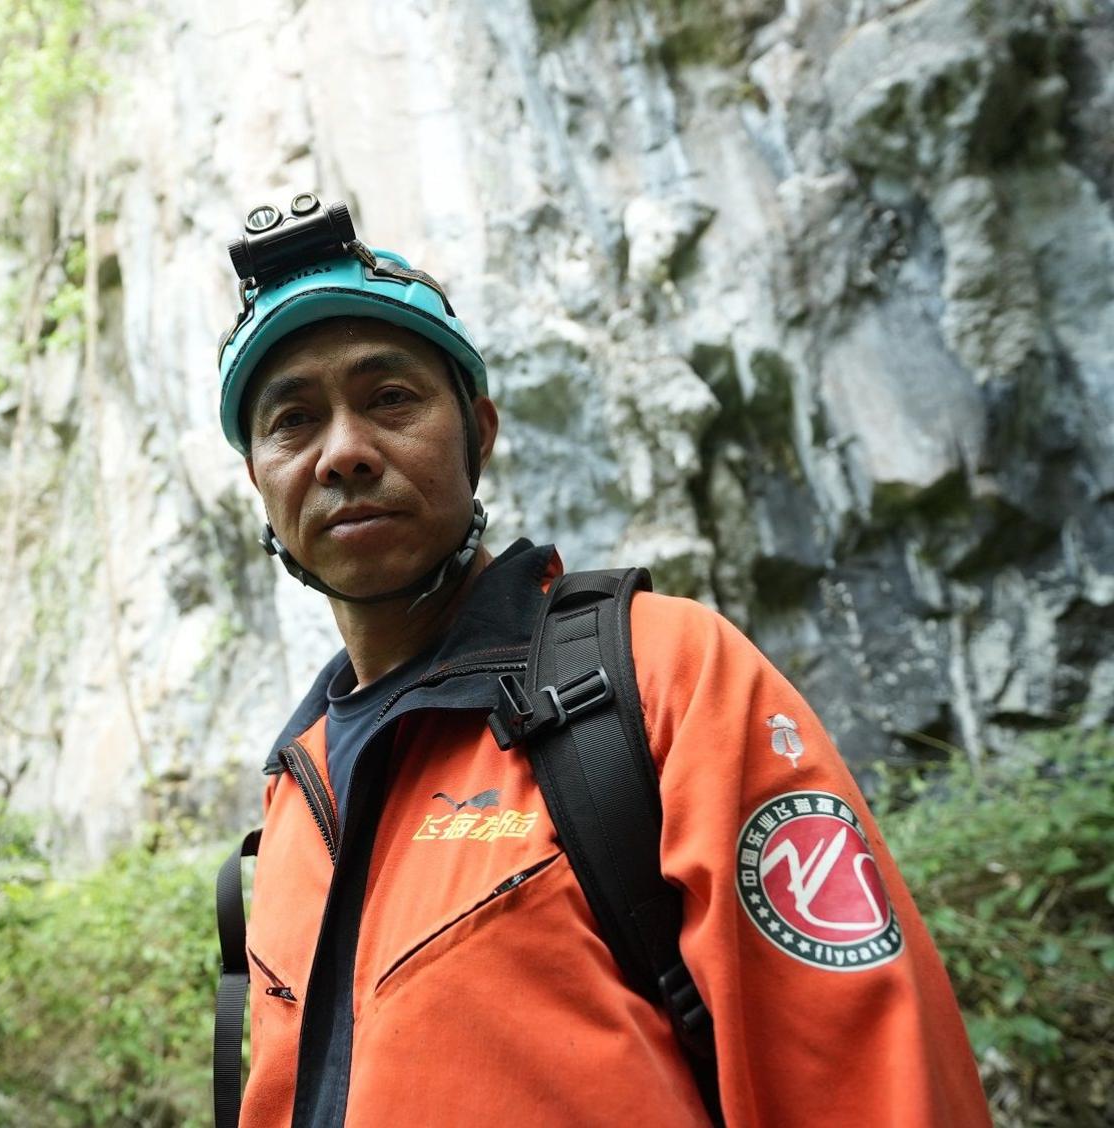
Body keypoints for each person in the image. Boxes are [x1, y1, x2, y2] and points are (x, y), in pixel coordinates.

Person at [214, 196, 992, 1127]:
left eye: (390, 399)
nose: (343, 451)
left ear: (480, 435)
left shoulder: (665, 677)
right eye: (293, 421)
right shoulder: (295, 797)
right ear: (260, 479)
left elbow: (871, 1073)